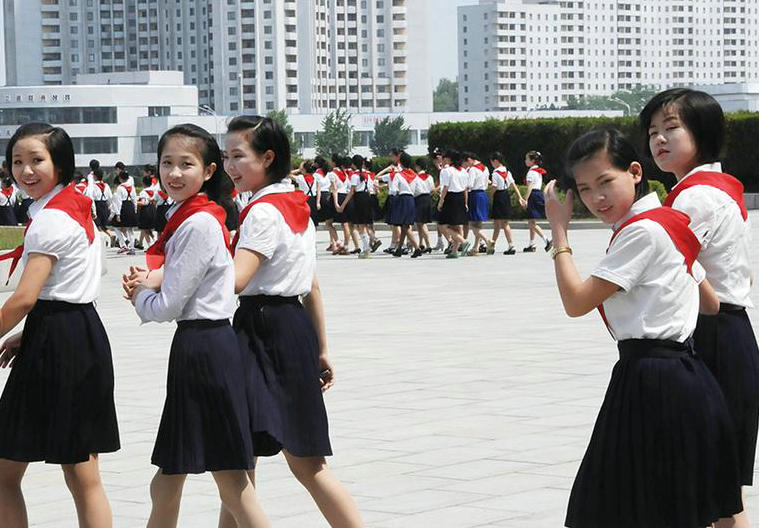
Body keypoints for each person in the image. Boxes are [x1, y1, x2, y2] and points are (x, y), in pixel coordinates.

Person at [545, 128, 742, 528]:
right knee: (691, 503)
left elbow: (576, 302)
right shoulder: (670, 221)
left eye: (605, 182)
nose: (596, 198)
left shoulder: (641, 232)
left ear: (634, 172)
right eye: (584, 189)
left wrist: (559, 231)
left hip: (652, 381)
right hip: (687, 376)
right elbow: (710, 302)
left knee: (616, 505)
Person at [122, 124, 269, 528]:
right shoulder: (193, 217)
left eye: (186, 164)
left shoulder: (197, 223)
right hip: (201, 346)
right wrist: (149, 284)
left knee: (230, 480)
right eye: (166, 163)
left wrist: (139, 295)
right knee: (171, 472)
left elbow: (169, 305)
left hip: (203, 348)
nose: (173, 173)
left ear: (207, 171)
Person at [222, 115, 363, 528]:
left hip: (260, 330)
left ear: (268, 157)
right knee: (299, 462)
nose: (230, 166)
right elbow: (312, 287)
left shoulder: (262, 212)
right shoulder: (295, 204)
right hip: (292, 328)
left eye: (238, 156)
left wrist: (171, 276)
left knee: (242, 460)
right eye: (226, 156)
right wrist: (321, 347)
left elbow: (236, 280)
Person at [642, 88, 759, 528]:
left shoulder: (695, 197)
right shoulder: (720, 189)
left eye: (672, 128)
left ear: (703, 133)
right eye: (653, 131)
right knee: (721, 492)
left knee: (707, 488)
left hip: (710, 336)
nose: (659, 139)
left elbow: (667, 263)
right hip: (729, 332)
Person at [0, 122, 119, 527]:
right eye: (17, 161)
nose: (25, 170)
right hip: (78, 332)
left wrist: (30, 326)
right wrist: (30, 332)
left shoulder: (50, 219)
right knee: (83, 473)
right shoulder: (76, 205)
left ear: (60, 163)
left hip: (58, 342)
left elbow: (24, 297)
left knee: (6, 473)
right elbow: (68, 287)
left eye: (37, 160)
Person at [334, 155, 376, 259]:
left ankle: (366, 250)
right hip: (367, 197)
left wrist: (343, 205)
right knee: (365, 224)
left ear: (353, 164)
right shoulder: (367, 175)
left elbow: (351, 192)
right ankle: (369, 244)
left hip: (359, 199)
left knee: (360, 226)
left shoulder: (354, 175)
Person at [436, 150, 469, 258]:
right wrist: (465, 203)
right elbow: (465, 189)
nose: (443, 159)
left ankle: (463, 241)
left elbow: (445, 187)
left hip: (450, 198)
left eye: (445, 157)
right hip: (460, 197)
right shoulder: (463, 171)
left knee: (443, 225)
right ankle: (454, 251)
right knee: (456, 224)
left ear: (449, 159)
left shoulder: (447, 171)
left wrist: (441, 201)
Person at [489, 152, 523, 255]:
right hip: (506, 196)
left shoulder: (495, 173)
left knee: (497, 223)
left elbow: (494, 187)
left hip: (499, 196)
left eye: (491, 162)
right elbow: (513, 185)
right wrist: (520, 197)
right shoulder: (507, 172)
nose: (491, 164)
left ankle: (492, 246)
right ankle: (508, 245)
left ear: (496, 161)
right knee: (505, 223)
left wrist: (489, 196)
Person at [519, 151, 552, 252]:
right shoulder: (538, 171)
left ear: (532, 161)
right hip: (538, 194)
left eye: (527, 159)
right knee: (532, 221)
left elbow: (529, 187)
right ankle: (531, 243)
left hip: (533, 195)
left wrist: (525, 199)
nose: (525, 161)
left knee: (531, 222)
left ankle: (547, 239)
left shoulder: (531, 172)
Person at [463, 153, 495, 256]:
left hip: (474, 195)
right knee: (479, 223)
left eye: (466, 162)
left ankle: (487, 240)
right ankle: (475, 247)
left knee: (471, 224)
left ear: (469, 159)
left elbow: (470, 185)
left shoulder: (473, 169)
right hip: (483, 194)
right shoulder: (485, 168)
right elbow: (488, 182)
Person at [111, 171, 138, 254]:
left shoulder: (120, 188)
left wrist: (118, 214)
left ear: (120, 178)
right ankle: (132, 248)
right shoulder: (132, 187)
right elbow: (134, 199)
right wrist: (135, 209)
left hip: (123, 207)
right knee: (130, 229)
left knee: (116, 227)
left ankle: (123, 245)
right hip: (130, 206)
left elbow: (118, 202)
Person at [412, 158, 434, 253]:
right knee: (420, 223)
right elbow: (432, 189)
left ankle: (428, 244)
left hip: (419, 199)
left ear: (418, 166)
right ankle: (421, 243)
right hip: (427, 198)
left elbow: (413, 190)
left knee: (421, 223)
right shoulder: (429, 176)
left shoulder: (416, 177)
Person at [90, 168, 114, 238]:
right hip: (105, 205)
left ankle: (102, 239)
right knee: (103, 226)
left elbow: (92, 199)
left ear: (95, 176)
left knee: (97, 226)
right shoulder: (106, 185)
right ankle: (111, 235)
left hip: (97, 205)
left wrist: (94, 211)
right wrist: (109, 207)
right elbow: (110, 197)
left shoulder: (93, 186)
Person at [136, 175, 158, 250]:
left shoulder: (143, 192)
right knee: (149, 229)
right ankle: (155, 241)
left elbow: (143, 203)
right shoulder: (154, 190)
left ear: (143, 183)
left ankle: (150, 245)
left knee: (145, 229)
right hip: (153, 209)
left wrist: (135, 202)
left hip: (145, 211)